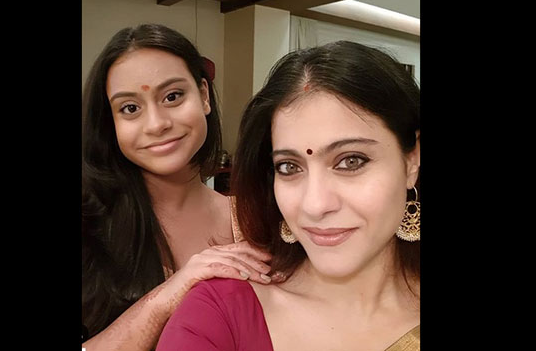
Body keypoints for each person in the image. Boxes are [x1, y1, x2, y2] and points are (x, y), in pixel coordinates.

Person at [156, 41, 421, 351]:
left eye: (351, 161)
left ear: (412, 161)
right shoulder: (217, 314)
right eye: (289, 167)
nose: (315, 205)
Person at [82, 23, 274, 350]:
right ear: (110, 123)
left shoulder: (259, 222)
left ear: (203, 96)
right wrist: (168, 295)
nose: (157, 124)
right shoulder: (90, 226)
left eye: (172, 96)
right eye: (130, 108)